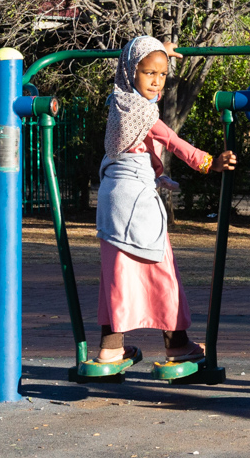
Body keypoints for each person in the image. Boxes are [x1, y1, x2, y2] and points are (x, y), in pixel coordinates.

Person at [92, 36, 236, 366]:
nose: (156, 81)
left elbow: (134, 156)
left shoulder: (120, 102)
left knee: (117, 275)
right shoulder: (144, 114)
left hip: (111, 202)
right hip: (136, 206)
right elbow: (173, 142)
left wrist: (160, 50)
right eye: (149, 73)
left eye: (162, 74)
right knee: (162, 272)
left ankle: (111, 348)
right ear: (132, 72)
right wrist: (208, 162)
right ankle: (178, 345)